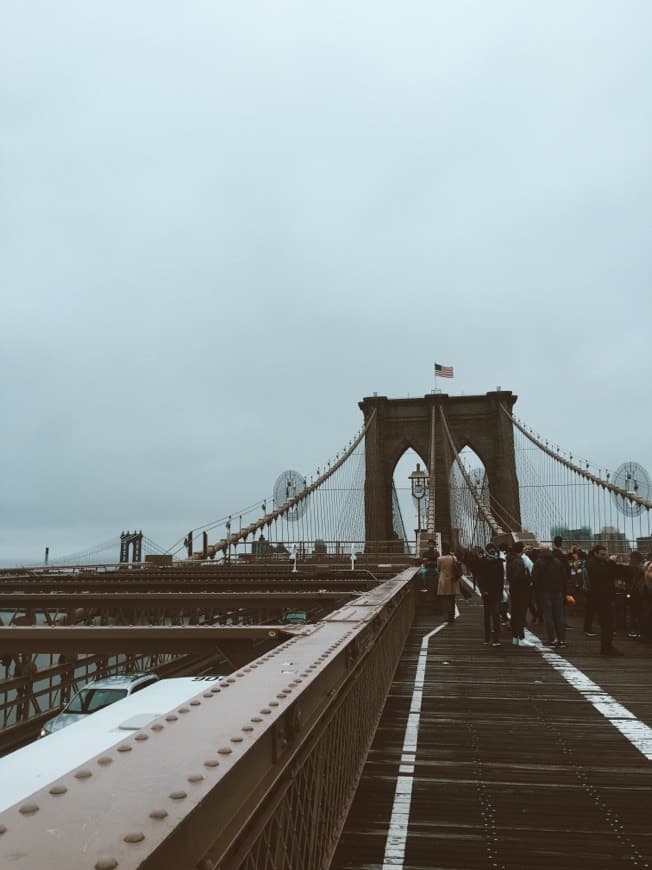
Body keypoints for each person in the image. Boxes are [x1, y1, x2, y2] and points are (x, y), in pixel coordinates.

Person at [587, 545, 625, 656]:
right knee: (607, 624)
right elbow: (604, 573)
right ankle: (606, 648)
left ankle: (607, 646)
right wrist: (611, 562)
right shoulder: (593, 564)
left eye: (605, 554)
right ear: (595, 553)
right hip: (601, 598)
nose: (604, 556)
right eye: (602, 554)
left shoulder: (597, 563)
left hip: (603, 597)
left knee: (607, 624)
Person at [532, 544, 568, 648]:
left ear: (541, 551)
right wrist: (564, 591)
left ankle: (551, 640)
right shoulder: (557, 562)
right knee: (560, 616)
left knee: (548, 616)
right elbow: (564, 578)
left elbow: (534, 578)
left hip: (544, 592)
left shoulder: (538, 562)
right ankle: (562, 640)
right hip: (558, 592)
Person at [476, 542, 504, 646]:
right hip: (491, 593)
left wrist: (483, 590)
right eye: (492, 551)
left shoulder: (495, 562)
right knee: (493, 615)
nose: (493, 552)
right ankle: (490, 638)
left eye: (494, 550)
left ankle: (493, 639)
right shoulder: (498, 562)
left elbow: (480, 578)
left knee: (492, 615)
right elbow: (481, 578)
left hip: (492, 593)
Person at [507, 541, 534, 647]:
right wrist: (528, 579)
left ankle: (515, 637)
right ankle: (521, 638)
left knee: (514, 614)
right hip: (520, 590)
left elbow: (511, 577)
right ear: (521, 550)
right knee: (520, 614)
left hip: (513, 589)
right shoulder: (519, 561)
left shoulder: (510, 559)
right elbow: (518, 577)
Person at [436, 542, 461, 623]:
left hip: (444, 580)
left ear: (443, 549)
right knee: (452, 599)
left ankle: (448, 616)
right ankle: (452, 616)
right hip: (453, 580)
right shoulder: (454, 558)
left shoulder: (440, 559)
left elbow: (438, 569)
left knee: (445, 599)